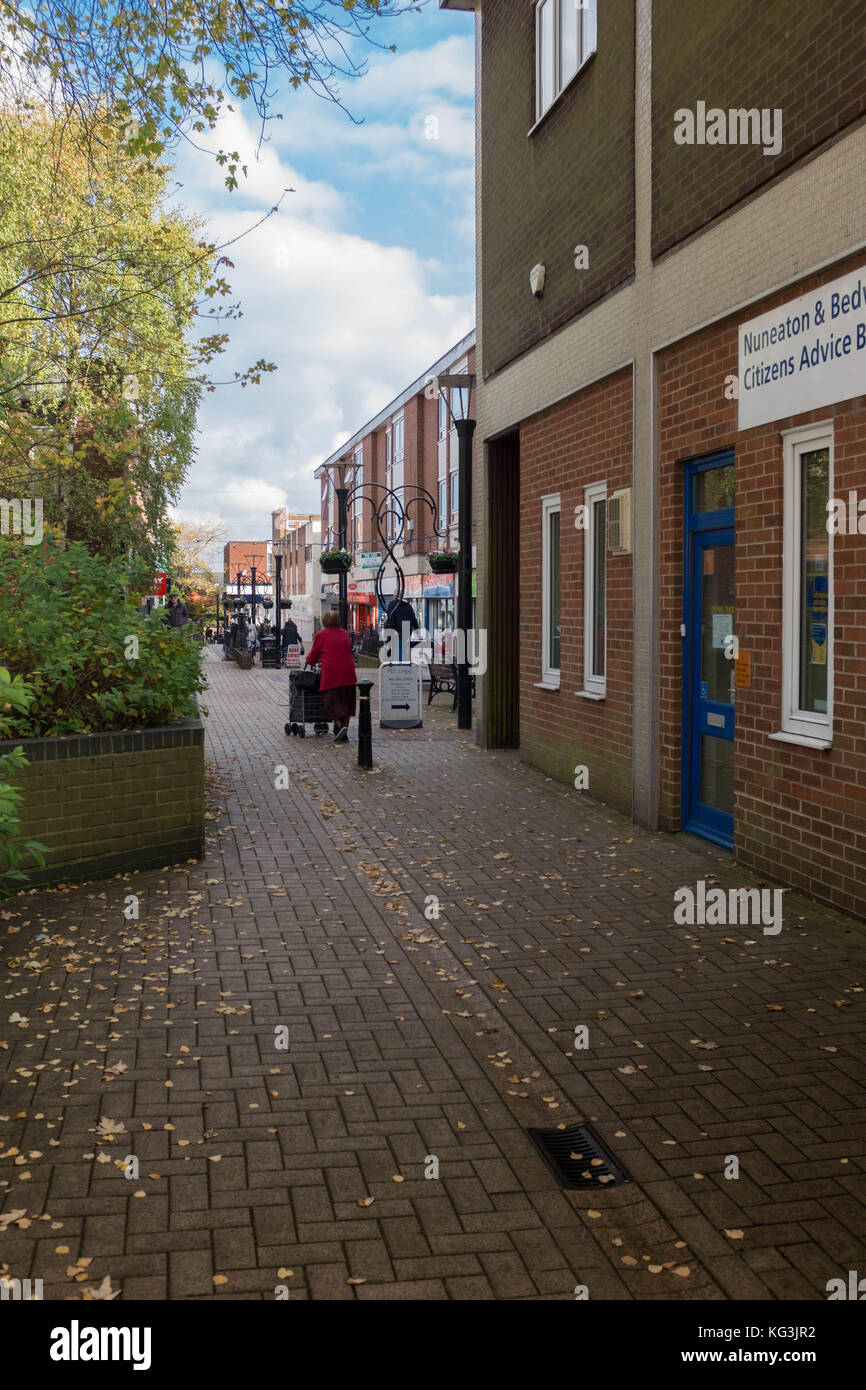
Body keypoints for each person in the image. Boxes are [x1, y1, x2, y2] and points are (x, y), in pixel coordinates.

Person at [304, 610, 357, 742]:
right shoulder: (345, 634)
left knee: (331, 701)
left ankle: (339, 726)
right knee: (347, 703)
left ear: (324, 621)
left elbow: (313, 655)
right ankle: (344, 729)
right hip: (349, 673)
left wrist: (309, 661)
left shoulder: (321, 635)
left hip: (332, 674)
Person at [383, 595, 419, 662]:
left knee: (398, 650)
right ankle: (405, 664)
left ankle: (400, 666)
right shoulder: (408, 606)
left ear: (394, 596)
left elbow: (390, 619)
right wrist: (417, 631)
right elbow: (414, 619)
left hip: (396, 631)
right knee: (405, 649)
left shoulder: (392, 605)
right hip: (407, 630)